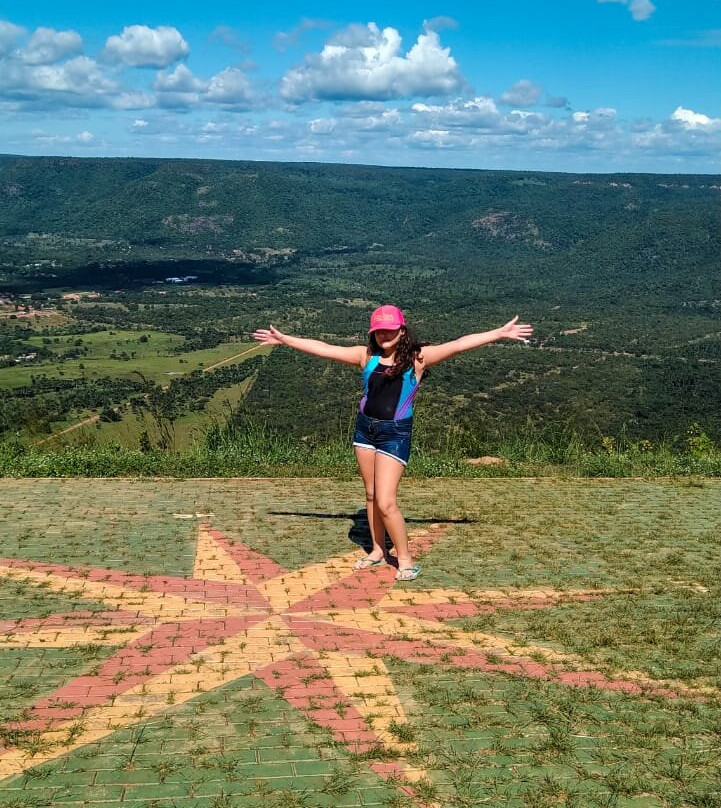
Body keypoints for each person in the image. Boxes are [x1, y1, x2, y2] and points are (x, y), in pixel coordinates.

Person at [253, 305, 533, 581]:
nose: (384, 336)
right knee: (372, 495)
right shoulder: (366, 356)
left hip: (395, 434)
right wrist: (284, 339)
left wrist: (499, 333)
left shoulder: (418, 358)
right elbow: (324, 348)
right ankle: (377, 550)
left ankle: (405, 559)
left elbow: (459, 344)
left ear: (402, 329)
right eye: (378, 332)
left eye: (389, 331)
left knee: (386, 502)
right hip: (364, 432)